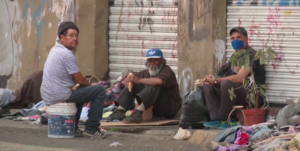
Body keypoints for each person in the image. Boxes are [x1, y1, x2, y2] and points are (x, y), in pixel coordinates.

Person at [41, 21, 106, 138]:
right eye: (71, 35)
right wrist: (91, 87)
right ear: (62, 37)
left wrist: (85, 88)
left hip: (49, 94)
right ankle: (92, 127)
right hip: (59, 94)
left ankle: (73, 127)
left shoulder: (54, 50)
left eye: (76, 35)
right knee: (99, 91)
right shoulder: (67, 54)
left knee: (80, 93)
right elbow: (80, 80)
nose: (75, 38)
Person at [201, 27, 266, 129]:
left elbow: (240, 78)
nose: (235, 41)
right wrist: (212, 78)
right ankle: (217, 119)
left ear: (246, 39)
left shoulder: (250, 54)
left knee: (226, 83)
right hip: (234, 94)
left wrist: (216, 80)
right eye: (232, 38)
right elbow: (223, 73)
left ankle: (228, 119)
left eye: (239, 37)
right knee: (208, 85)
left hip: (250, 96)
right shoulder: (236, 55)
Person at [109, 48, 182, 123]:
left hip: (168, 108)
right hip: (154, 107)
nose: (152, 63)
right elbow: (133, 78)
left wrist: (139, 80)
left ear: (162, 61)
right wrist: (128, 80)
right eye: (150, 60)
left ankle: (138, 113)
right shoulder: (145, 73)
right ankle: (120, 110)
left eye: (155, 60)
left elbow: (159, 81)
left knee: (155, 84)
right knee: (133, 85)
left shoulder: (167, 70)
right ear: (147, 62)